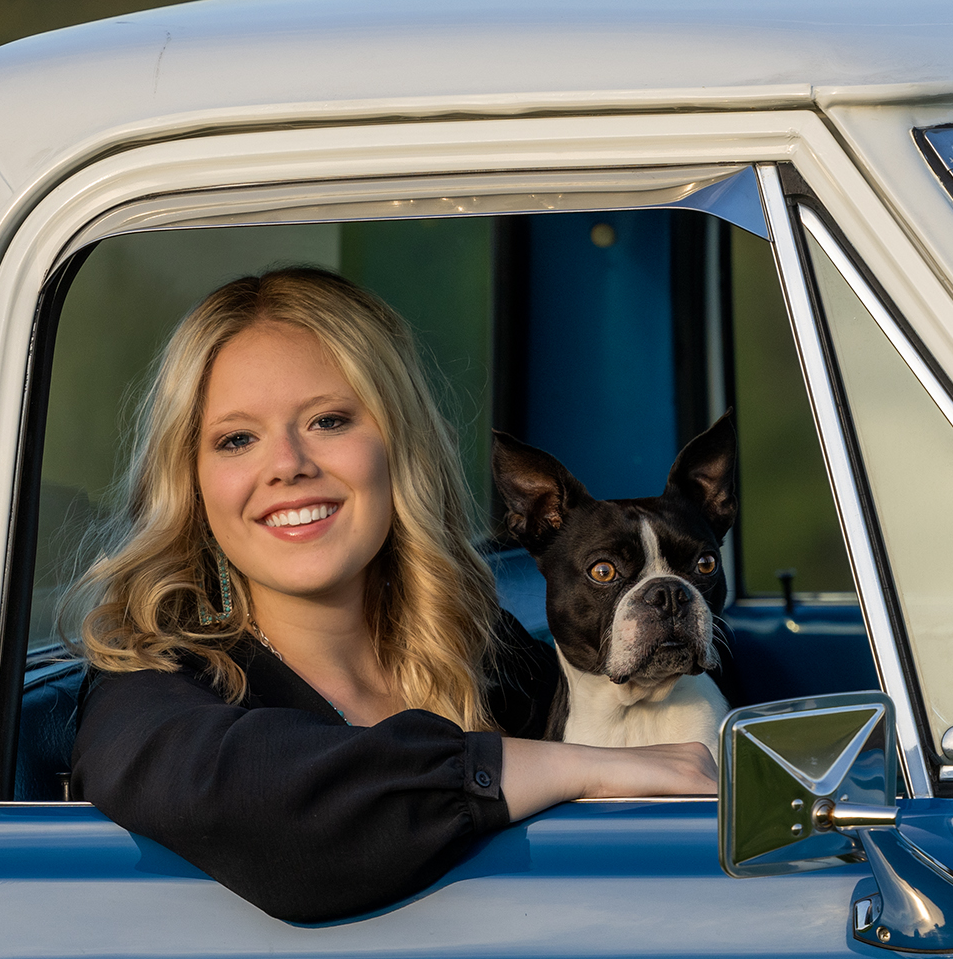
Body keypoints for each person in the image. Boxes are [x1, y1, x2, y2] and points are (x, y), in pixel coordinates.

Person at [68, 267, 714, 924]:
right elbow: (277, 813)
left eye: (328, 420)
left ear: (397, 447)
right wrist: (580, 770)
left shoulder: (488, 657)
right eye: (237, 438)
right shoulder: (151, 689)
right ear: (194, 480)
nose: (287, 463)